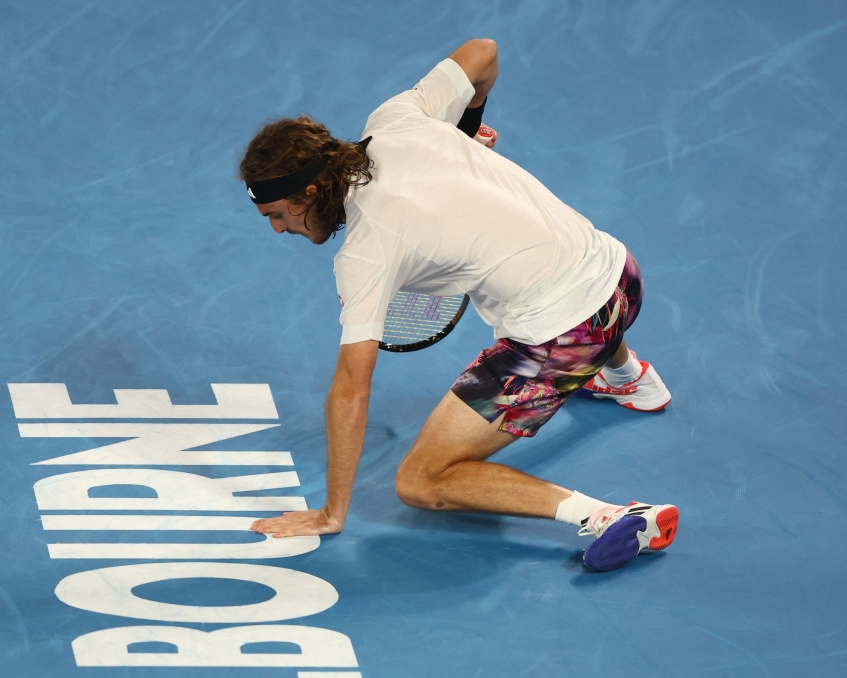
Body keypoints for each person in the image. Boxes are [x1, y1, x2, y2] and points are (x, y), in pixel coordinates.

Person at [242, 38, 677, 572]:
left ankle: (610, 517)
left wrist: (333, 511)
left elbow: (351, 389)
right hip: (621, 276)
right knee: (563, 284)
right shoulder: (397, 118)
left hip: (567, 337)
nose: (277, 229)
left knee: (421, 480)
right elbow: (483, 52)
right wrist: (465, 127)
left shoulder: (366, 253)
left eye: (278, 214)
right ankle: (630, 378)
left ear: (309, 191)